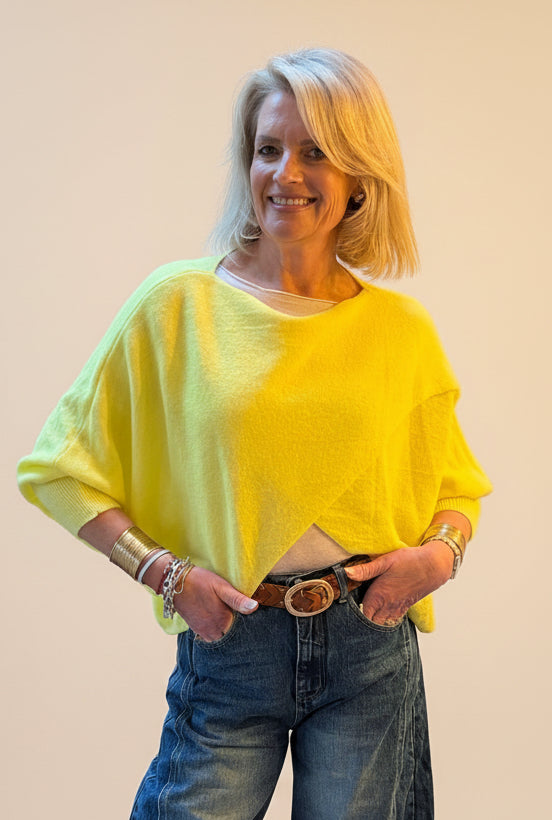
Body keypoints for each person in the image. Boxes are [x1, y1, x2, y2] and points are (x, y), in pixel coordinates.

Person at [17, 48, 492, 819]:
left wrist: (440, 556)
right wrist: (164, 573)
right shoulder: (177, 304)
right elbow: (56, 470)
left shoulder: (401, 331)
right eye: (269, 149)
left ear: (360, 176)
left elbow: (457, 490)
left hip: (370, 646)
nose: (286, 173)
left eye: (316, 151)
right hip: (232, 644)